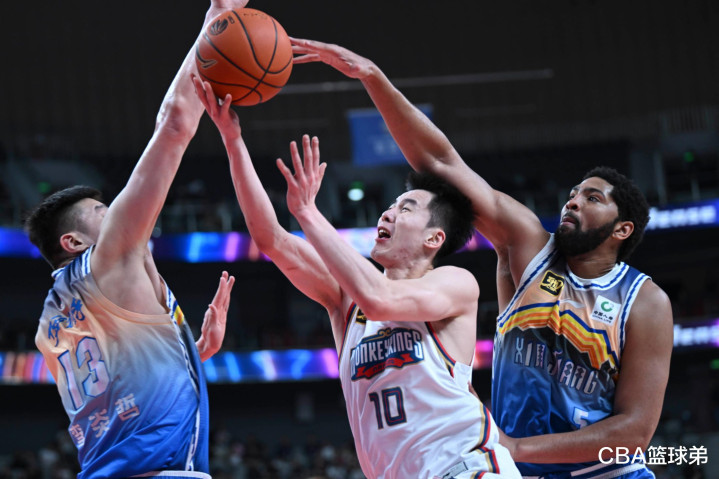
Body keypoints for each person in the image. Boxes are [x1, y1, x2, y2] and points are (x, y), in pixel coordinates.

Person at [289, 38, 674, 478]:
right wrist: (373, 78)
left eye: (592, 198)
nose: (573, 201)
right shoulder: (528, 248)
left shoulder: (645, 302)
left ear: (622, 229)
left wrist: (518, 446)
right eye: (573, 193)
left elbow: (634, 432)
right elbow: (441, 162)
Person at [192, 78, 521, 479]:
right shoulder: (347, 301)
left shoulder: (455, 283)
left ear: (434, 239)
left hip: (466, 467)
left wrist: (309, 214)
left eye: (406, 209)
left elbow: (380, 299)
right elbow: (270, 238)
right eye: (390, 206)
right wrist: (233, 140)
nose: (388, 213)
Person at [23, 1, 245, 477]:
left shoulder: (51, 323)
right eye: (104, 213)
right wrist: (219, 16)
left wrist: (190, 347)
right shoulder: (108, 261)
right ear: (74, 242)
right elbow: (175, 122)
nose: (122, 216)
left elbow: (120, 383)